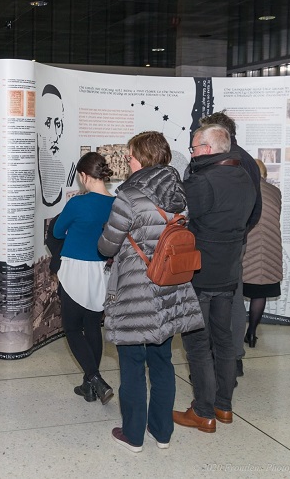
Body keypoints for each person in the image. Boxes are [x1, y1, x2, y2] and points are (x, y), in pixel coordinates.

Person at [98, 131, 204, 452]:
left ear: (142, 158)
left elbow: (107, 246)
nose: (127, 160)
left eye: (130, 155)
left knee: (132, 362)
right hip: (170, 287)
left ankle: (133, 435)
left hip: (136, 290)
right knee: (162, 361)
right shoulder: (179, 193)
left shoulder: (129, 195)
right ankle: (162, 432)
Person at [173, 124, 255, 433]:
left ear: (207, 149)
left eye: (194, 148)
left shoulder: (202, 181)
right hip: (229, 271)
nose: (192, 153)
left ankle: (203, 412)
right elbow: (251, 218)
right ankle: (224, 406)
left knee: (197, 343)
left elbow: (179, 217)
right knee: (223, 340)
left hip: (200, 272)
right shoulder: (245, 177)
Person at [198, 112, 261, 376]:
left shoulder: (223, 162)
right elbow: (255, 208)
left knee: (217, 300)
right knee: (232, 297)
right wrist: (241, 232)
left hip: (215, 243)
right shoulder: (248, 160)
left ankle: (217, 361)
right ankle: (232, 359)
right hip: (235, 240)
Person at [51, 152, 115, 404]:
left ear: (84, 176)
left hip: (75, 271)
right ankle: (89, 387)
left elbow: (57, 231)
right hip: (101, 272)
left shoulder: (77, 203)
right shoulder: (117, 203)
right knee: (92, 327)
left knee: (72, 329)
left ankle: (95, 378)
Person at [242, 159, 283, 347]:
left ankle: (234, 336)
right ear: (264, 173)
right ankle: (251, 333)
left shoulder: (244, 190)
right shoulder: (275, 191)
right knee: (260, 293)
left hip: (248, 247)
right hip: (270, 247)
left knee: (236, 291)